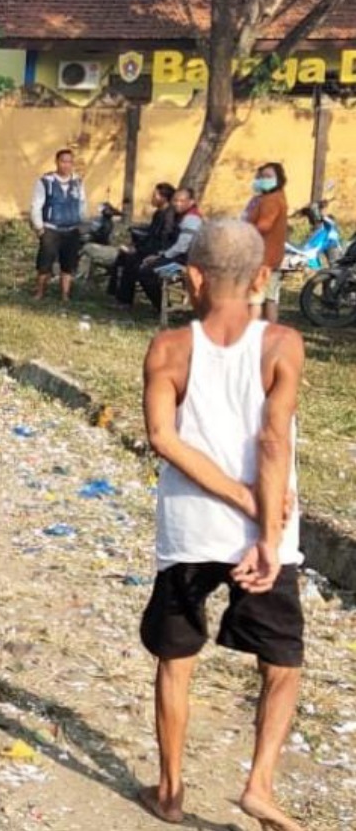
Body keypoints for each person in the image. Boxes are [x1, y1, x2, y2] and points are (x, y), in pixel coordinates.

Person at [138, 219, 306, 831]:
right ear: (263, 278)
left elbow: (162, 437)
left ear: (192, 279)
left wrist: (233, 497)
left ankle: (171, 791)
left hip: (190, 528)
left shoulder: (168, 348)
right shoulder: (283, 343)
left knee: (176, 659)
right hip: (268, 529)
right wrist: (264, 529)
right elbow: (272, 437)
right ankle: (259, 785)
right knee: (281, 664)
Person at [126, 188, 204, 312]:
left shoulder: (191, 219)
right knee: (140, 264)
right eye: (175, 200)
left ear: (191, 202)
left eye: (182, 201)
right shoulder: (179, 216)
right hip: (176, 258)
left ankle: (164, 308)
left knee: (147, 273)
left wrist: (161, 256)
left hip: (184, 264)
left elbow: (182, 246)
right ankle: (160, 305)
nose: (178, 204)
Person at [108, 183, 178, 307]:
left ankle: (126, 301)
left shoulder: (169, 216)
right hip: (149, 248)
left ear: (163, 198)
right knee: (123, 256)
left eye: (155, 195)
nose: (152, 198)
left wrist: (138, 250)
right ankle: (117, 295)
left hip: (160, 253)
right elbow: (150, 234)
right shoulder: (158, 213)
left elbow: (162, 240)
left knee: (132, 260)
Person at [31, 149, 87, 302]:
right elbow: (36, 206)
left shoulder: (77, 182)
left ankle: (65, 296)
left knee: (68, 265)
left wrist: (82, 222)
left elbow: (82, 203)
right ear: (57, 162)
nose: (66, 165)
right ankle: (40, 293)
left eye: (69, 162)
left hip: (71, 229)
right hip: (51, 229)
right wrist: (39, 227)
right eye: (63, 161)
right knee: (44, 263)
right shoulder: (45, 182)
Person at [246, 163, 289, 323]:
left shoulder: (270, 200)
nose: (263, 180)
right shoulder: (277, 197)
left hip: (263, 258)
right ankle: (270, 335)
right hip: (272, 256)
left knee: (255, 300)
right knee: (270, 299)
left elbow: (263, 226)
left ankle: (251, 335)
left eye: (268, 176)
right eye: (261, 176)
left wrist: (242, 232)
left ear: (279, 179)